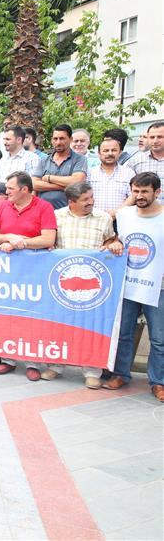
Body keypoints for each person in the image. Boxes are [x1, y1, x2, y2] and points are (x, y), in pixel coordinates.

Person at [51, 181, 122, 387]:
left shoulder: (104, 218)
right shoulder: (57, 217)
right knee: (60, 326)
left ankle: (91, 371)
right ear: (71, 202)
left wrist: (114, 244)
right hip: (62, 282)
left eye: (91, 197)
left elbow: (110, 240)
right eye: (85, 200)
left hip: (93, 285)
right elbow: (51, 242)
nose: (91, 202)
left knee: (91, 327)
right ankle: (55, 365)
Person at [0, 171, 57, 379]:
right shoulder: (3, 206)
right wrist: (11, 237)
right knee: (6, 313)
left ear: (25, 189)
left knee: (32, 315)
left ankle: (33, 363)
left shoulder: (44, 207)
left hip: (34, 270)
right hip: (7, 271)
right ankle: (7, 359)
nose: (6, 191)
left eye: (10, 188)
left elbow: (48, 239)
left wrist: (23, 243)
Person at [104, 172, 164, 401]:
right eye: (135, 191)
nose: (139, 196)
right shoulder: (124, 214)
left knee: (159, 338)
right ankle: (120, 374)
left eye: (144, 191)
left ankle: (158, 381)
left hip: (158, 286)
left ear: (157, 192)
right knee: (124, 333)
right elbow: (113, 239)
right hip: (128, 284)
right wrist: (116, 243)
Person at [32, 124, 88, 209]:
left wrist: (49, 178)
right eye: (55, 139)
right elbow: (34, 184)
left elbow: (77, 181)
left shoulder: (79, 159)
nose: (58, 142)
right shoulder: (44, 160)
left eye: (62, 138)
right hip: (44, 212)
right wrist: (64, 186)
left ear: (70, 139)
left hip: (69, 213)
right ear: (52, 140)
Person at [88, 136, 134, 218]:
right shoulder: (90, 173)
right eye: (105, 151)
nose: (110, 153)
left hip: (121, 219)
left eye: (114, 150)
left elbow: (133, 195)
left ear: (120, 152)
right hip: (94, 218)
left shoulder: (129, 173)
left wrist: (117, 213)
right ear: (99, 153)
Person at [124, 121, 164, 203]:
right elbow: (128, 189)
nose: (155, 141)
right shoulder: (135, 161)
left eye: (160, 137)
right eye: (152, 137)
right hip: (144, 212)